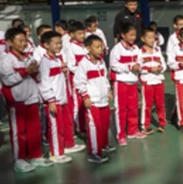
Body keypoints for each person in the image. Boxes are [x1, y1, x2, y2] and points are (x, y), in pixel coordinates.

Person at [0, 28, 50, 172]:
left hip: (32, 99)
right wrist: (26, 72)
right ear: (9, 42)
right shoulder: (6, 60)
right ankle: (19, 159)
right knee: (18, 133)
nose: (23, 44)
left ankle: (36, 155)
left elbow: (38, 78)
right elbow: (8, 80)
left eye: (25, 41)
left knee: (34, 130)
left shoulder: (28, 58)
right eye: (20, 41)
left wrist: (35, 73)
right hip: (17, 102)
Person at [74, 35, 114, 163]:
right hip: (93, 102)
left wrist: (108, 90)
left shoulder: (101, 62)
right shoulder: (83, 64)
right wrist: (85, 97)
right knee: (93, 127)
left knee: (104, 124)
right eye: (97, 47)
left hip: (103, 100)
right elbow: (79, 82)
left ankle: (103, 145)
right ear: (88, 48)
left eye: (101, 46)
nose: (100, 49)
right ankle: (94, 152)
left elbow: (105, 77)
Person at [38, 31, 74, 164]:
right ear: (46, 45)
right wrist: (50, 100)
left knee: (63, 126)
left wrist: (64, 72)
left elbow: (58, 80)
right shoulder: (44, 62)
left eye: (60, 43)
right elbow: (44, 83)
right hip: (54, 101)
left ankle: (62, 149)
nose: (59, 46)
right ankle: (55, 154)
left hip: (61, 98)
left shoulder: (57, 60)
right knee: (54, 128)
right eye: (56, 43)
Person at [109, 23, 145, 145]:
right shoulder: (116, 49)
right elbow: (114, 65)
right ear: (122, 35)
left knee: (133, 108)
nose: (133, 38)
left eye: (134, 35)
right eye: (130, 35)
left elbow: (140, 60)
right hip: (121, 83)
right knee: (121, 109)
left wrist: (139, 66)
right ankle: (121, 135)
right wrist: (130, 66)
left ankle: (132, 131)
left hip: (133, 82)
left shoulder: (136, 49)